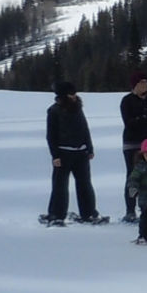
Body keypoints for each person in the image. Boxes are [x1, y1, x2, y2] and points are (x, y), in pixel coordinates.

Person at [44, 81, 100, 225]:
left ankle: (89, 213)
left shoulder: (78, 109)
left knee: (85, 184)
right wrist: (55, 155)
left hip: (81, 153)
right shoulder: (53, 111)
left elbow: (84, 128)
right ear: (63, 95)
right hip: (63, 154)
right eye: (71, 94)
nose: (74, 96)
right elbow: (51, 136)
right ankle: (56, 215)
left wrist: (90, 147)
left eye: (75, 93)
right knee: (60, 186)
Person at [119, 70, 147, 223]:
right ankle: (130, 210)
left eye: (146, 83)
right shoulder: (127, 100)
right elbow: (129, 123)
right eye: (142, 83)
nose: (145, 85)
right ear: (135, 85)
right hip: (132, 143)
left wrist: (143, 118)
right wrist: (144, 118)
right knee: (133, 175)